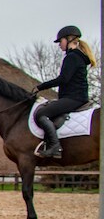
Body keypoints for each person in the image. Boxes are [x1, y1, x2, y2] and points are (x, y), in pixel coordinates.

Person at [32, 25, 96, 159]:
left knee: (41, 114)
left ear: (69, 39)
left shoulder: (72, 57)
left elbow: (63, 79)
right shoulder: (77, 57)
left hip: (74, 98)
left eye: (60, 41)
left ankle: (55, 146)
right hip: (76, 97)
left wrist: (40, 87)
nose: (59, 45)